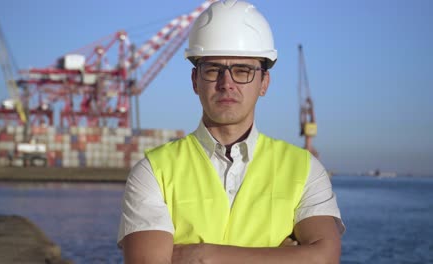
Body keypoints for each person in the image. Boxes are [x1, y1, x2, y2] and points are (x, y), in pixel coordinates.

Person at [118, 0, 344, 263]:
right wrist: (284, 256)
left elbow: (325, 258)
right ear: (195, 81)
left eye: (242, 71)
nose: (227, 83)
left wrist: (205, 255)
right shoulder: (154, 171)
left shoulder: (305, 169)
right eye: (213, 70)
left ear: (264, 83)